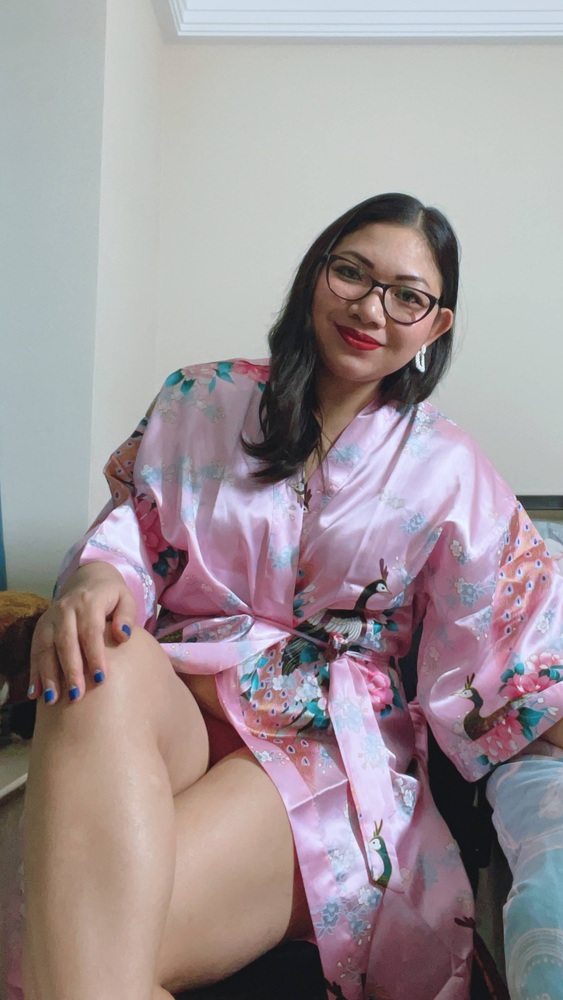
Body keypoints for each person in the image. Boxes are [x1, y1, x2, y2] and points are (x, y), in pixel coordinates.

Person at [17, 193, 563, 1000]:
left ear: (434, 325)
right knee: (103, 652)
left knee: (78, 944)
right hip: (170, 703)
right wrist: (101, 574)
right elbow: (131, 532)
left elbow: (510, 648)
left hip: (316, 744)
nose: (370, 308)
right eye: (352, 273)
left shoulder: (449, 468)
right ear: (317, 273)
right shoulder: (198, 397)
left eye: (406, 296)